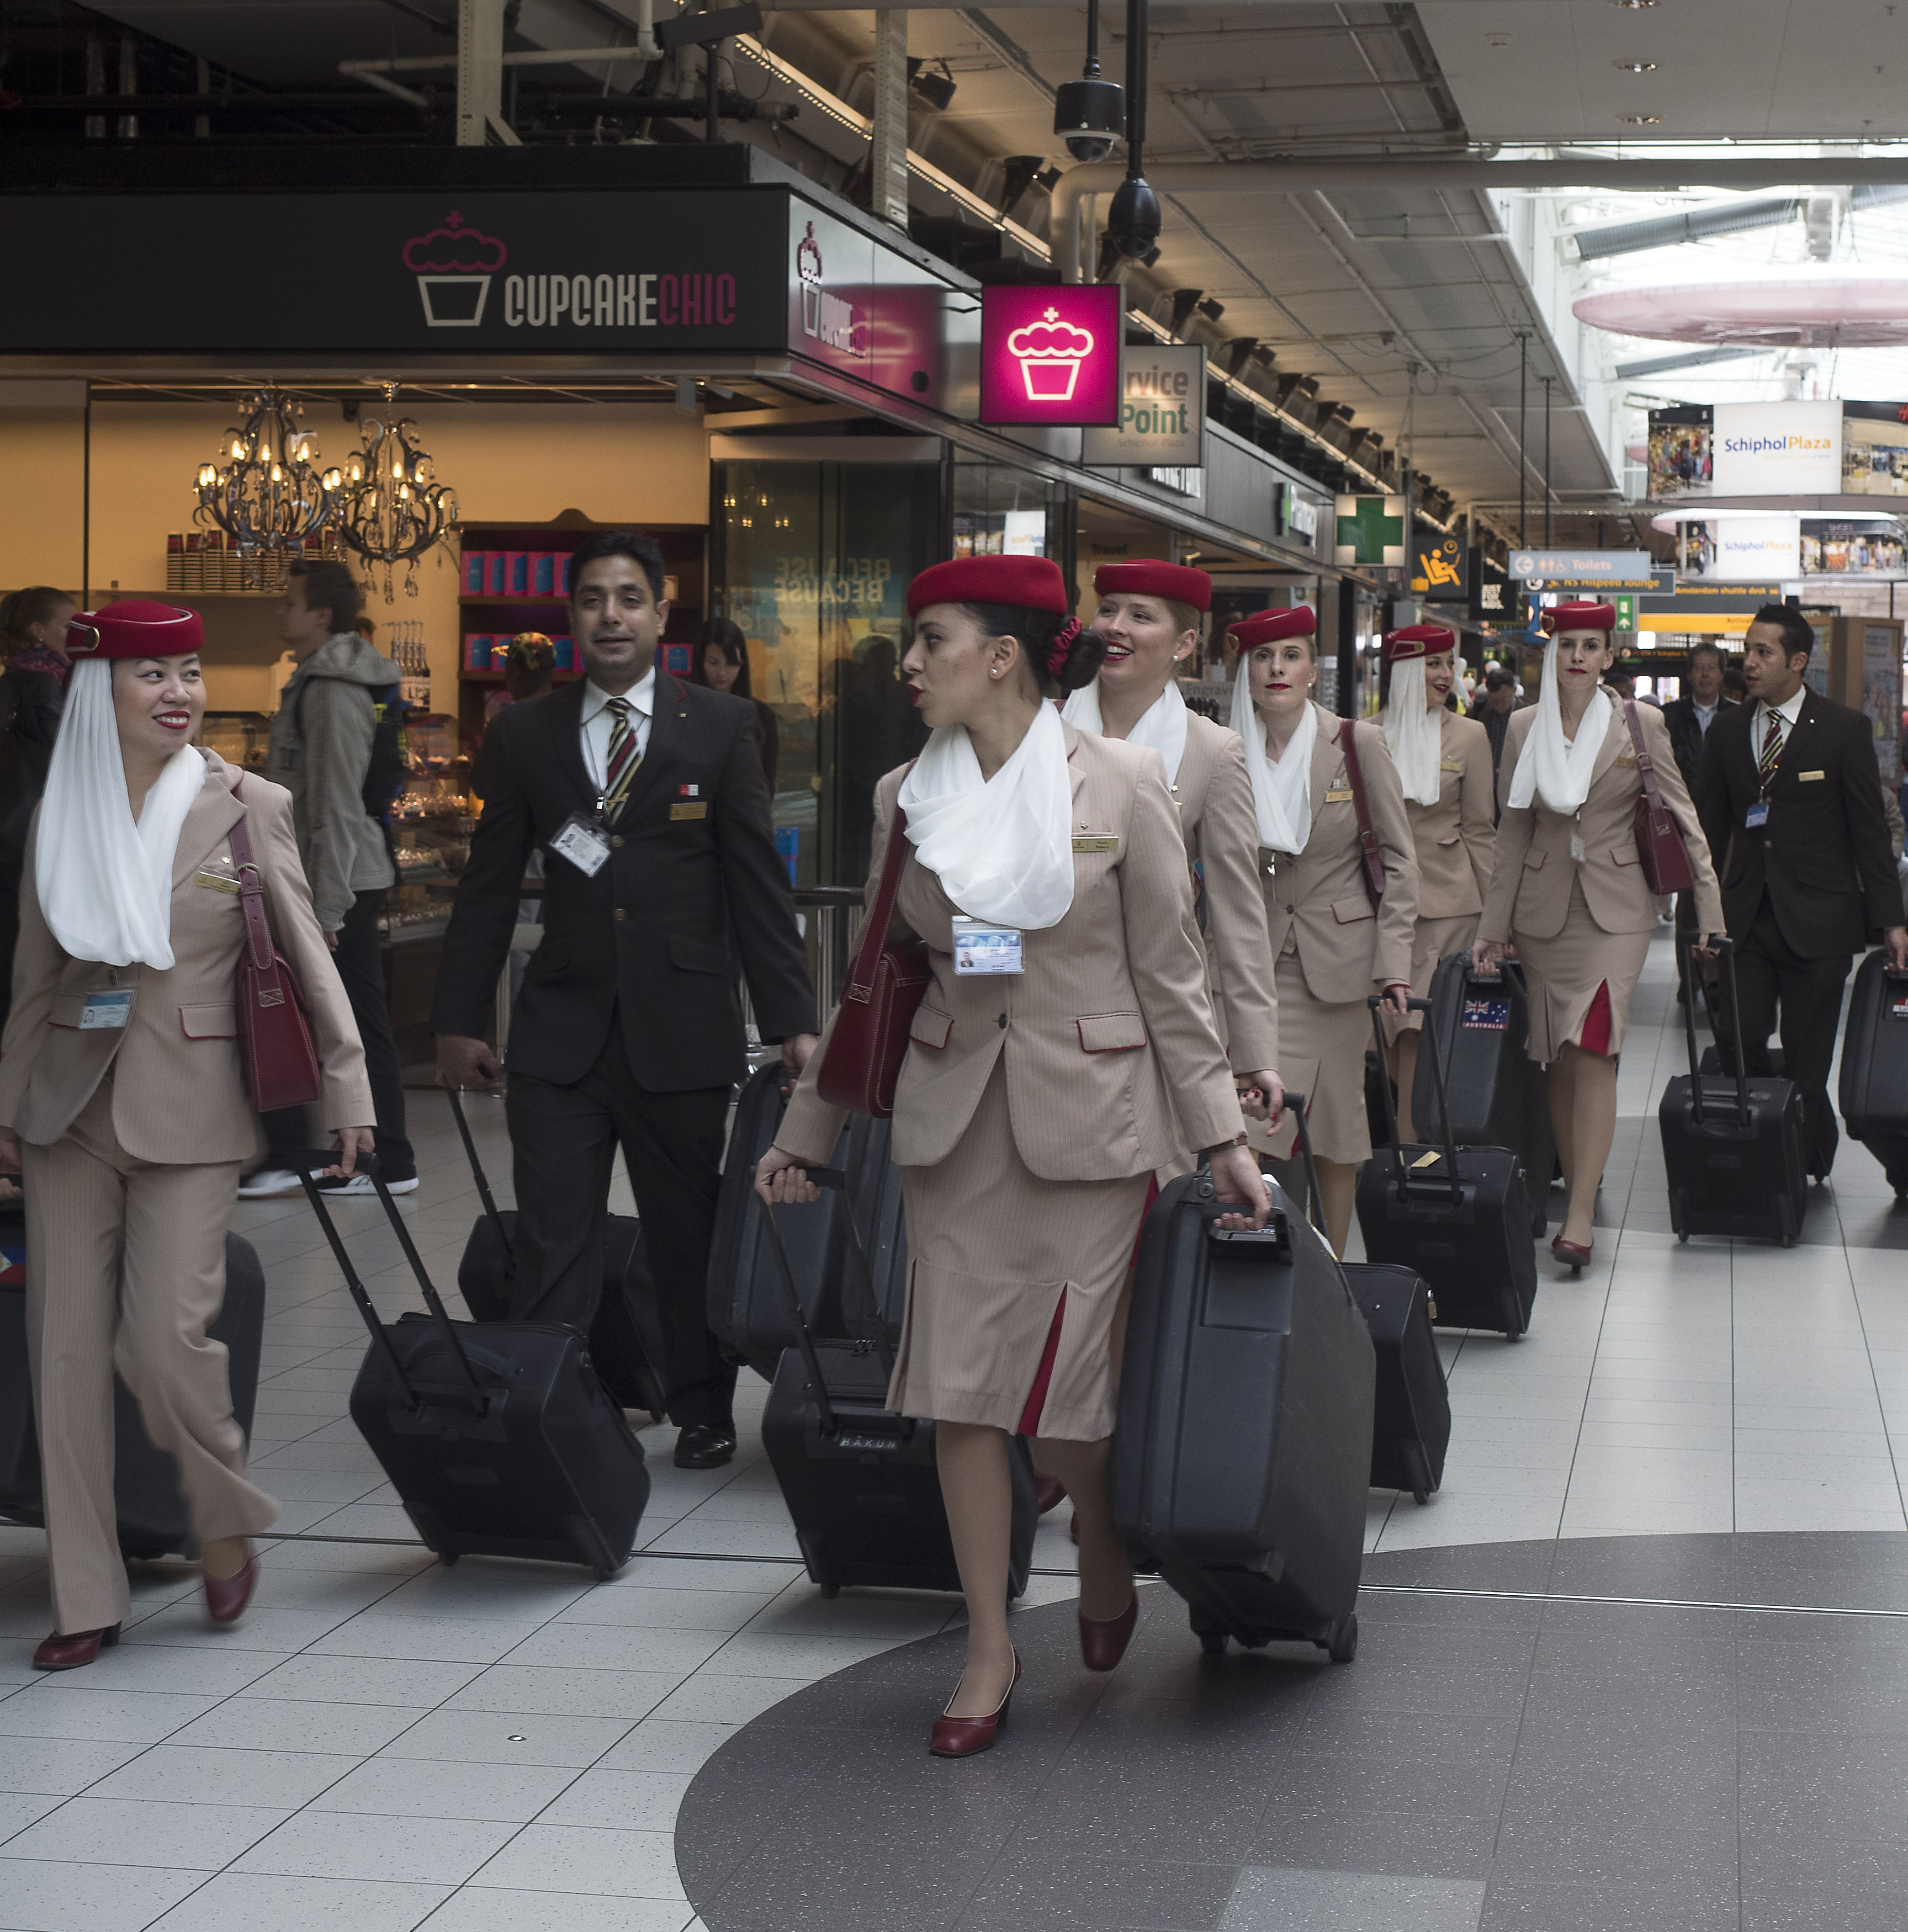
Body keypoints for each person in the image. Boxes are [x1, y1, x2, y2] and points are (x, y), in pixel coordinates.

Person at [754, 555, 1269, 1758]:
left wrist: (1222, 1138)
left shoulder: (1124, 781)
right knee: (962, 1395)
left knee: (1071, 1398)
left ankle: (1099, 1532)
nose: (909, 663)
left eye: (931, 639)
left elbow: (1173, 975)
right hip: (954, 1124)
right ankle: (989, 1642)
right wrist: (804, 1136)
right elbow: (877, 971)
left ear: (1000, 657)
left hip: (1093, 1122)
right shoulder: (904, 794)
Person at [0, 600, 370, 1670]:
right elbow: (35, 977)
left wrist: (349, 1089)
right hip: (67, 1107)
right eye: (152, 673)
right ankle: (86, 1596)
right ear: (99, 692)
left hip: (194, 1108)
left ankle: (220, 1512)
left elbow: (308, 955)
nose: (179, 693)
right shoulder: (59, 814)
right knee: (64, 1357)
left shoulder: (248, 806)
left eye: (190, 671)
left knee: (165, 1343)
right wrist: (8, 1106)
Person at [432, 530, 817, 1471]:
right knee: (553, 1237)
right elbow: (488, 885)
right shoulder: (526, 733)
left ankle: (701, 1407)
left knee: (685, 1233)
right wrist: (457, 1020)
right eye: (594, 599)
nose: (612, 616)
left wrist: (793, 1023)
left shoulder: (719, 725)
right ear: (573, 615)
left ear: (660, 611)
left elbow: (755, 884)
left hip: (681, 1029)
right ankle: (557, 1411)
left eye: (629, 598)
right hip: (559, 1032)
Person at [1475, 602, 1722, 1270]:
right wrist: (1492, 927)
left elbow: (1683, 816)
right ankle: (1578, 1175)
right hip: (1544, 910)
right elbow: (1512, 830)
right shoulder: (1524, 726)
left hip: (1619, 910)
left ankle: (1579, 1213)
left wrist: (1709, 910)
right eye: (1567, 645)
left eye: (1590, 646)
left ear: (1609, 656)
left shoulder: (1639, 723)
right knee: (1557, 1055)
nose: (1578, 656)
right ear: (1551, 653)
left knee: (1594, 1046)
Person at [1694, 603, 1908, 1181]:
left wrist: (1893, 921)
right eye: (1747, 650)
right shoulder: (1729, 731)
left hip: (1821, 920)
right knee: (1739, 1035)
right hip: (1747, 917)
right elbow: (1709, 829)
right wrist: (1702, 916)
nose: (1749, 661)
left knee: (1809, 1056)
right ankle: (1773, 1129)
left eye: (1763, 652)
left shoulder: (1843, 730)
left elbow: (1869, 833)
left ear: (1798, 661)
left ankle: (1801, 1158)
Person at [1231, 606, 1418, 1259]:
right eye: (1262, 656)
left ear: (1314, 669)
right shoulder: (1224, 747)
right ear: (1245, 671)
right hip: (1245, 964)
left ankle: (1332, 1270)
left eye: (1290, 655)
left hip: (1335, 966)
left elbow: (1400, 860)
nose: (1276, 669)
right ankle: (1256, 1263)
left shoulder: (1355, 742)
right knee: (1244, 1120)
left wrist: (1394, 963)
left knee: (1336, 1128)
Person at [1068, 561, 1281, 1128]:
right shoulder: (1041, 729)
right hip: (1050, 1003)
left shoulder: (1212, 751)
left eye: (1141, 617)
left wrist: (1255, 1053)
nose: (1116, 627)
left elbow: (1239, 914)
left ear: (1185, 643)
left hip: (1154, 1015)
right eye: (1107, 610)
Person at [240, 559, 415, 1199]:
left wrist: (329, 909)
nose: (278, 611)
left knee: (307, 1010)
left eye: (289, 602)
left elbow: (337, 803)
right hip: (338, 875)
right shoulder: (321, 677)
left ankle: (324, 1153)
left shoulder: (332, 688)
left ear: (321, 614)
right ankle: (380, 1157)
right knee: (350, 1016)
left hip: (335, 880)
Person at [1378, 624, 1496, 1143]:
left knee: (1417, 1033)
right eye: (1433, 663)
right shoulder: (1365, 735)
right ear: (1406, 670)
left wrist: (1498, 921)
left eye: (1450, 663)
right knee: (1386, 1042)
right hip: (1381, 910)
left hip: (1449, 909)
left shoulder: (1470, 736)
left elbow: (1481, 832)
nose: (1447, 674)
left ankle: (1412, 1157)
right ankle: (1416, 1148)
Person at [0, 587, 76, 1043]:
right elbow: (75, 757)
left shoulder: (10, 680)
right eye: (68, 625)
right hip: (38, 834)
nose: (77, 633)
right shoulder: (50, 685)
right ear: (38, 631)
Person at [1662, 643, 1738, 1001]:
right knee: (1688, 900)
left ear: (1722, 674)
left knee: (1721, 895)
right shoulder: (1669, 716)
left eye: (1712, 668)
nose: (1705, 675)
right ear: (1689, 674)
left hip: (1725, 822)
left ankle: (1716, 977)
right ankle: (1688, 977)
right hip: (1681, 819)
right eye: (1699, 668)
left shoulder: (1738, 716)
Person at [695, 616, 778, 793]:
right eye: (713, 662)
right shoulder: (684, 711)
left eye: (732, 663)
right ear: (700, 661)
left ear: (742, 663)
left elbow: (767, 784)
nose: (722, 673)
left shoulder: (762, 716)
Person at [471, 631, 556, 803]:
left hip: (512, 820)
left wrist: (473, 760)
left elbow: (481, 787)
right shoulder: (572, 716)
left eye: (507, 668)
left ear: (516, 673)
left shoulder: (505, 723)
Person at [1469, 667, 1520, 816]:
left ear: (1514, 691)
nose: (1499, 706)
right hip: (1484, 785)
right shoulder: (1478, 713)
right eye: (1494, 701)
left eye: (1504, 701)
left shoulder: (1527, 716)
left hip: (1514, 786)